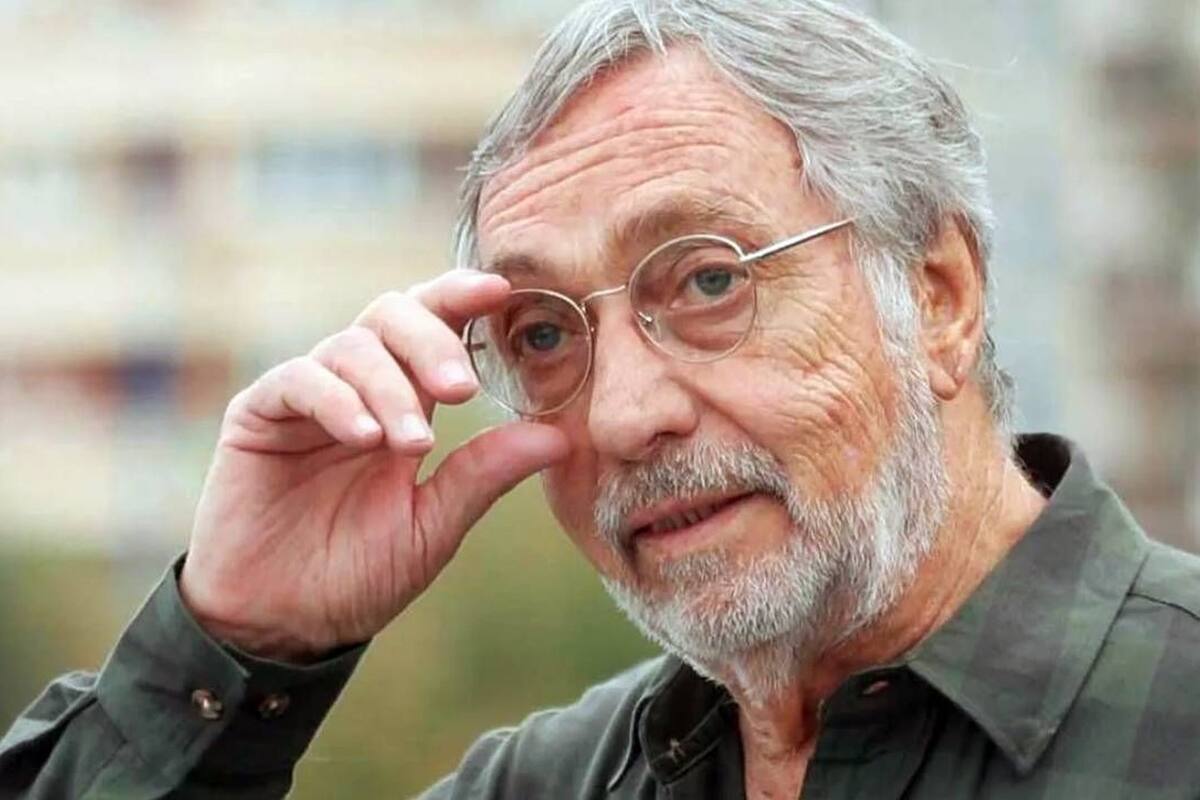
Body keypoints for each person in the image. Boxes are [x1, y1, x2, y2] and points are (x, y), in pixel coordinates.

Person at [3, 0, 1199, 797]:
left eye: (710, 280)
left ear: (938, 296)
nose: (624, 415)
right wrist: (233, 639)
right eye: (543, 333)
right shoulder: (553, 781)